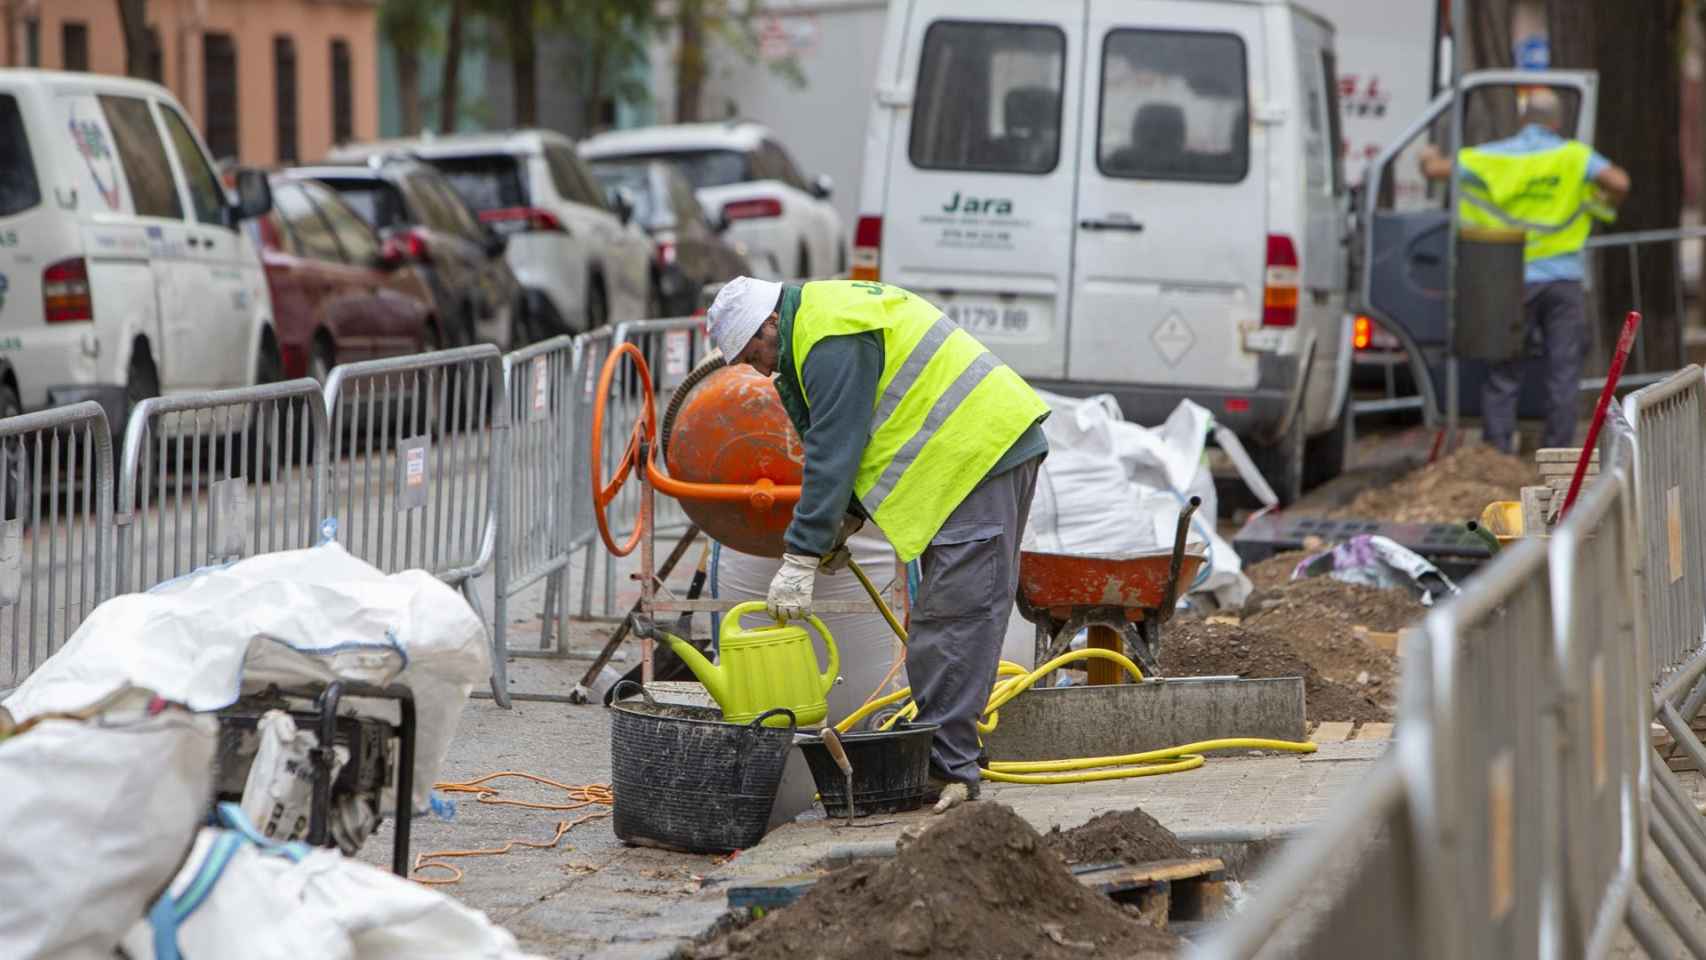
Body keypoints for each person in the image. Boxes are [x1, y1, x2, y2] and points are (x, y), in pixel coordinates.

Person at [706, 277, 1049, 813]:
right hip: (963, 463)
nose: (762, 369)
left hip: (980, 455)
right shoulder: (819, 325)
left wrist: (801, 555)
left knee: (956, 617)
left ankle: (950, 768)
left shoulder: (828, 335)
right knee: (944, 619)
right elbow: (858, 436)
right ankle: (942, 751)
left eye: (757, 352)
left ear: (771, 323)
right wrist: (843, 522)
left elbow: (835, 450)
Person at [1419, 86, 1630, 454]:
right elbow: (1619, 182)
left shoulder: (1493, 157)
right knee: (1563, 372)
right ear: (1557, 121)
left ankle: (1497, 454)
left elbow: (1436, 170)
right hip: (1563, 280)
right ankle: (1558, 453)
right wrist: (1599, 200)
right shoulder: (1573, 156)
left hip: (1510, 279)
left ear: (1522, 119)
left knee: (1503, 369)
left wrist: (1428, 154)